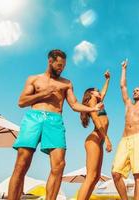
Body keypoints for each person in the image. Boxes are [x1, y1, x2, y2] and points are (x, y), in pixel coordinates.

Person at [8, 49, 103, 200]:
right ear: (50, 61)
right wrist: (43, 94)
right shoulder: (34, 79)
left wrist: (92, 108)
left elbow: (74, 105)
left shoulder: (66, 84)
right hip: (34, 118)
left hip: (55, 120)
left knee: (59, 165)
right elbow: (21, 102)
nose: (61, 68)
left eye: (63, 66)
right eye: (59, 65)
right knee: (21, 164)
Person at [111, 59, 139, 200]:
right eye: (134, 90)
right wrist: (124, 68)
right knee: (115, 173)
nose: (134, 91)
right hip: (124, 139)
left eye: (138, 90)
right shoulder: (129, 104)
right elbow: (123, 86)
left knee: (138, 175)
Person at [77, 70, 113, 200]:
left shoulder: (97, 100)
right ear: (91, 93)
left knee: (96, 176)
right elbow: (97, 121)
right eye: (96, 91)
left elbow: (103, 92)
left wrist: (108, 79)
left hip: (99, 140)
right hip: (95, 139)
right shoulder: (92, 100)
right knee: (91, 176)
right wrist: (107, 139)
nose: (99, 92)